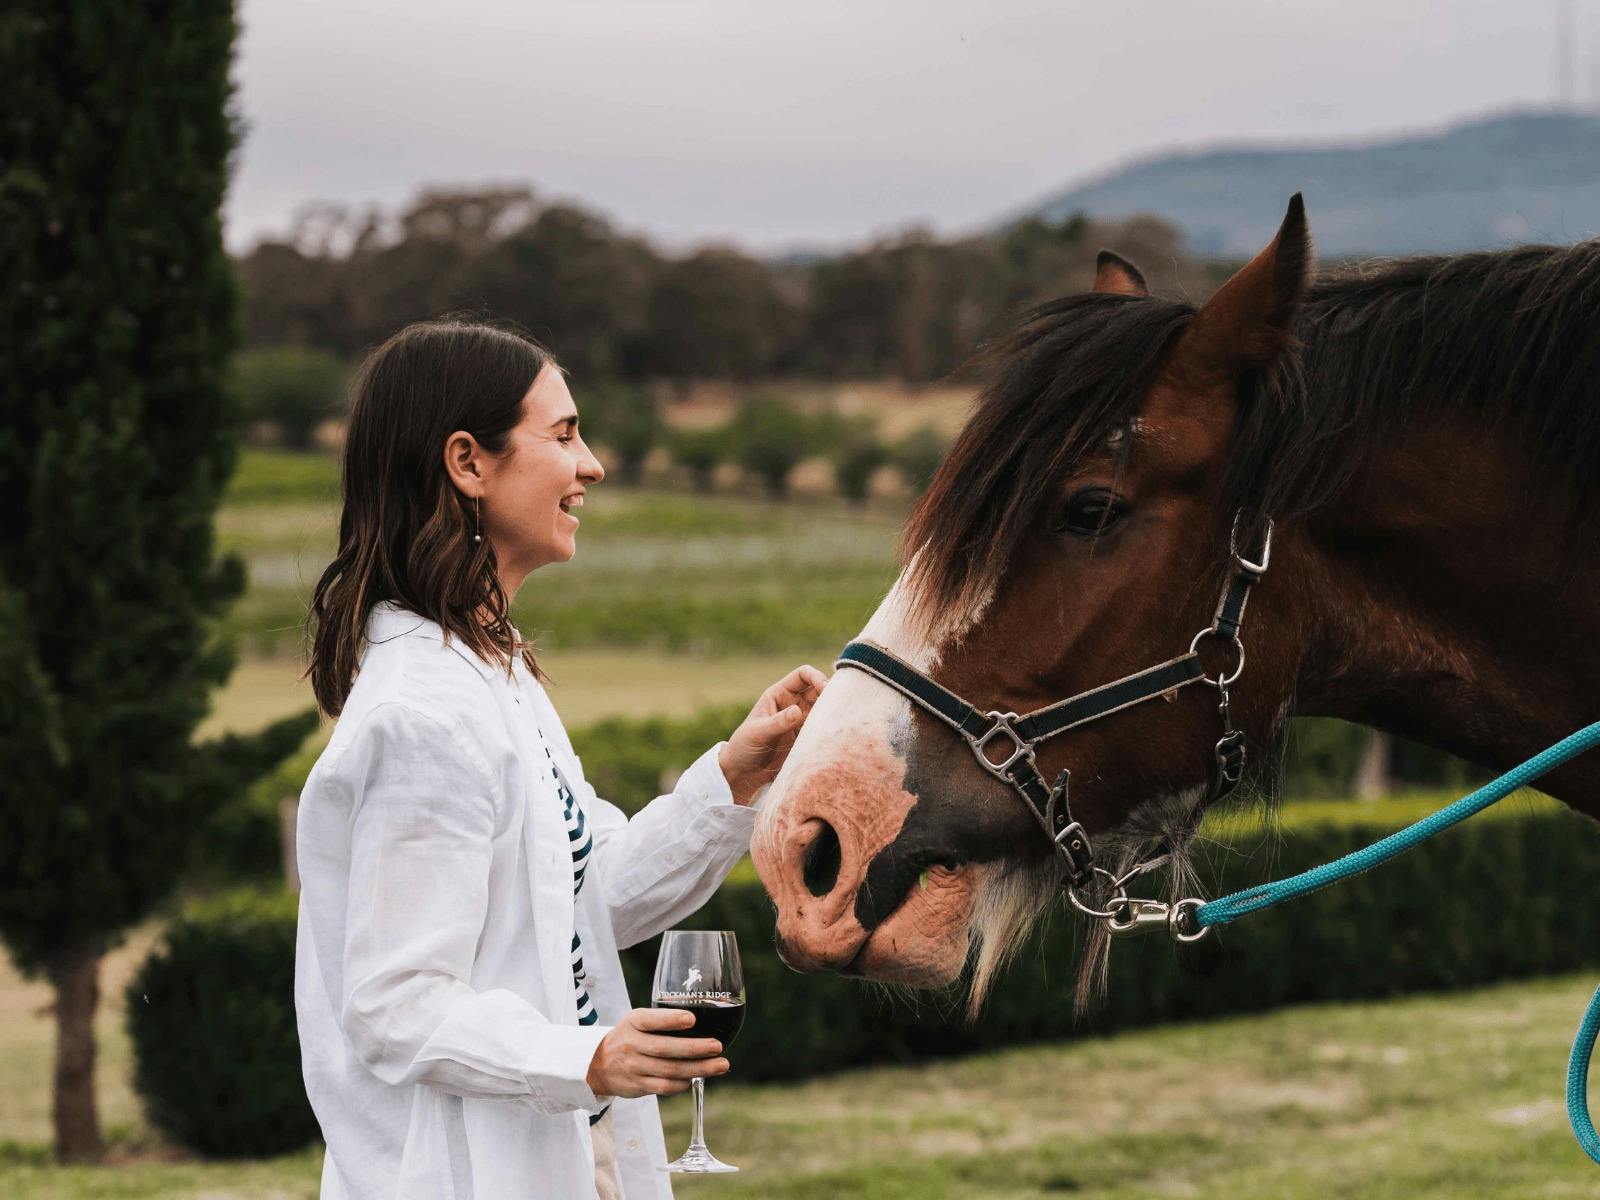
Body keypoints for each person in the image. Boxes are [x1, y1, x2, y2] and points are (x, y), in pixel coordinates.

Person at [293, 318, 826, 1199]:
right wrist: (585, 1055)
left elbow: (587, 903)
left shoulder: (492, 677)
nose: (593, 466)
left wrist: (734, 777)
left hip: (568, 1159)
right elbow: (395, 1003)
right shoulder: (426, 713)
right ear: (469, 463)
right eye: (565, 434)